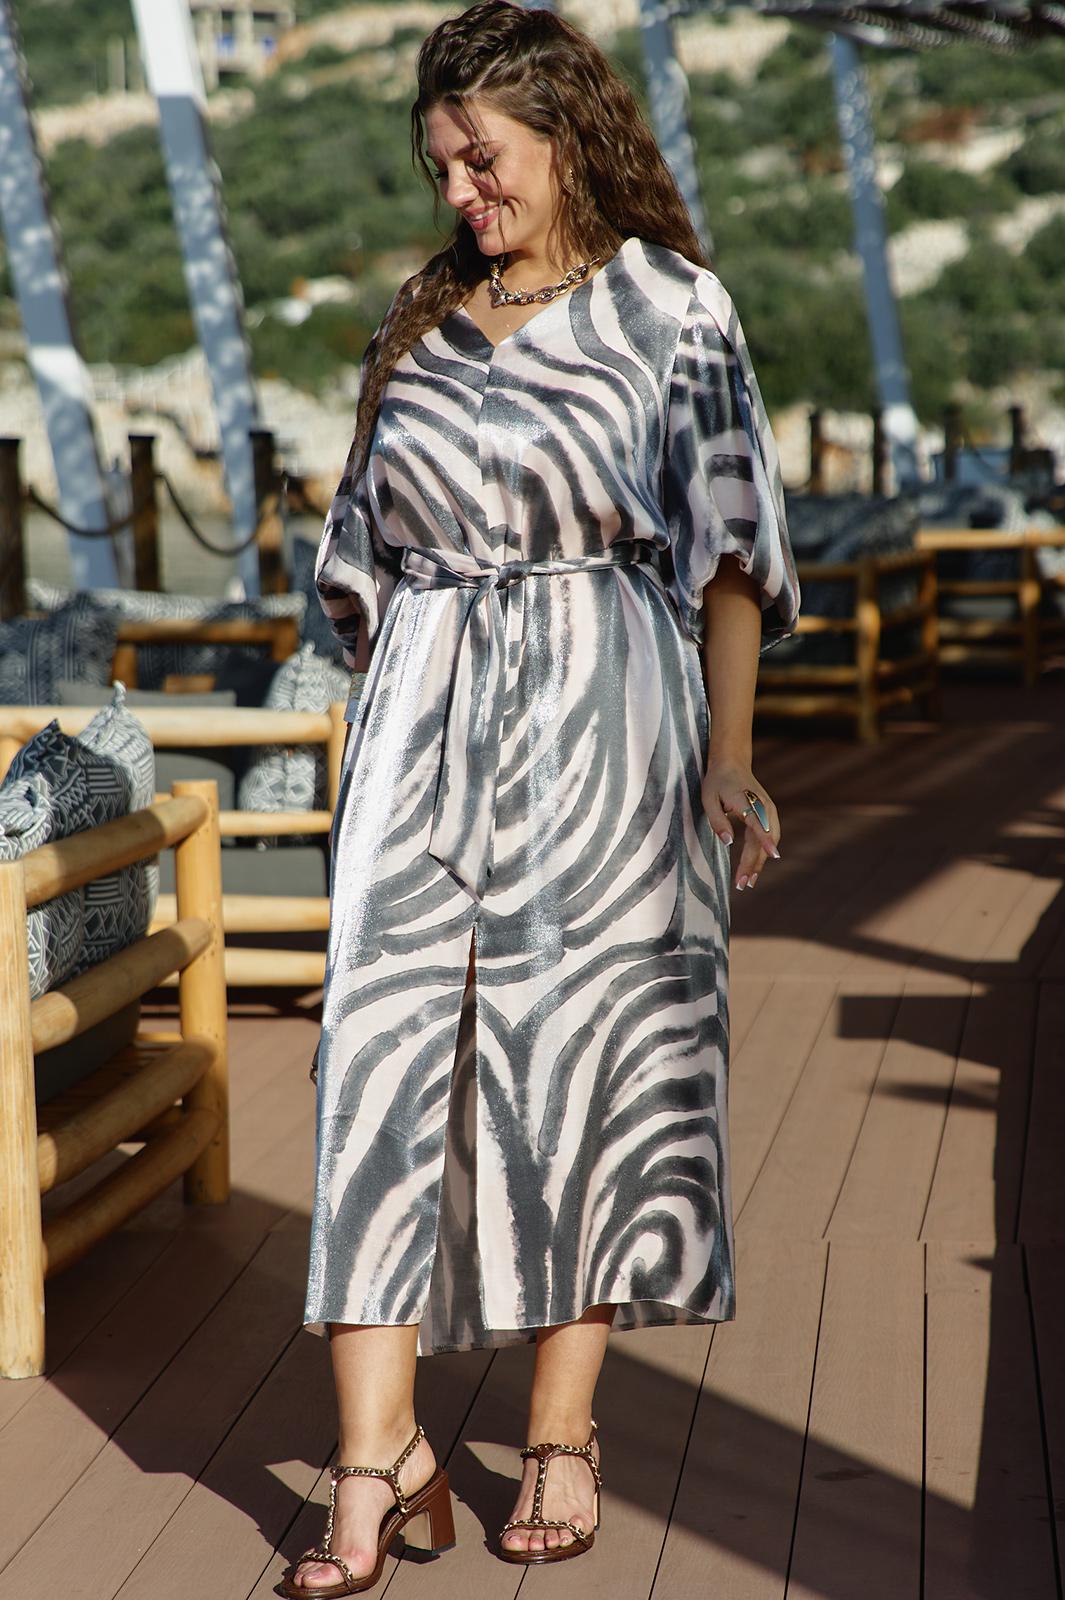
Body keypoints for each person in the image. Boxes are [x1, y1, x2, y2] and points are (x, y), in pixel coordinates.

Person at [283, 2, 799, 1593]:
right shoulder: (419, 320)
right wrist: (395, 708)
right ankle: (375, 1461)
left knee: (586, 1070)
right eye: (440, 165)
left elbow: (728, 550)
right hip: (422, 725)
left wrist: (728, 755)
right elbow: (359, 561)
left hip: (611, 715)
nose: (461, 192)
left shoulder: (673, 309)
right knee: (374, 1076)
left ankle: (560, 1432)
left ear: (566, 137)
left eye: (484, 158)